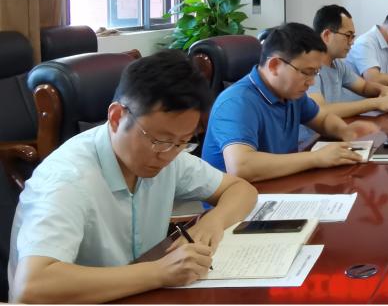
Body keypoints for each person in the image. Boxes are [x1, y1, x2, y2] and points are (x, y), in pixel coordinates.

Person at [8, 51, 257, 303]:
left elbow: (240, 189)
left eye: (183, 141)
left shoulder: (168, 154)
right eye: (160, 140)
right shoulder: (67, 179)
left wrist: (212, 222)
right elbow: (32, 287)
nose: (168, 155)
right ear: (117, 117)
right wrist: (159, 273)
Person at [202, 23, 376, 182]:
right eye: (306, 72)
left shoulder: (291, 94)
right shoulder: (236, 102)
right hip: (238, 200)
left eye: (315, 73)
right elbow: (241, 167)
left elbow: (322, 119)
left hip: (279, 186)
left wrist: (345, 131)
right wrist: (316, 158)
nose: (312, 82)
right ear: (274, 66)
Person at [309, 4, 388, 117]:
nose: (352, 42)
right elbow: (320, 111)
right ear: (327, 35)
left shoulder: (337, 64)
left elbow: (364, 87)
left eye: (352, 36)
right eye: (348, 35)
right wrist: (376, 103)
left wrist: (385, 90)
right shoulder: (308, 67)